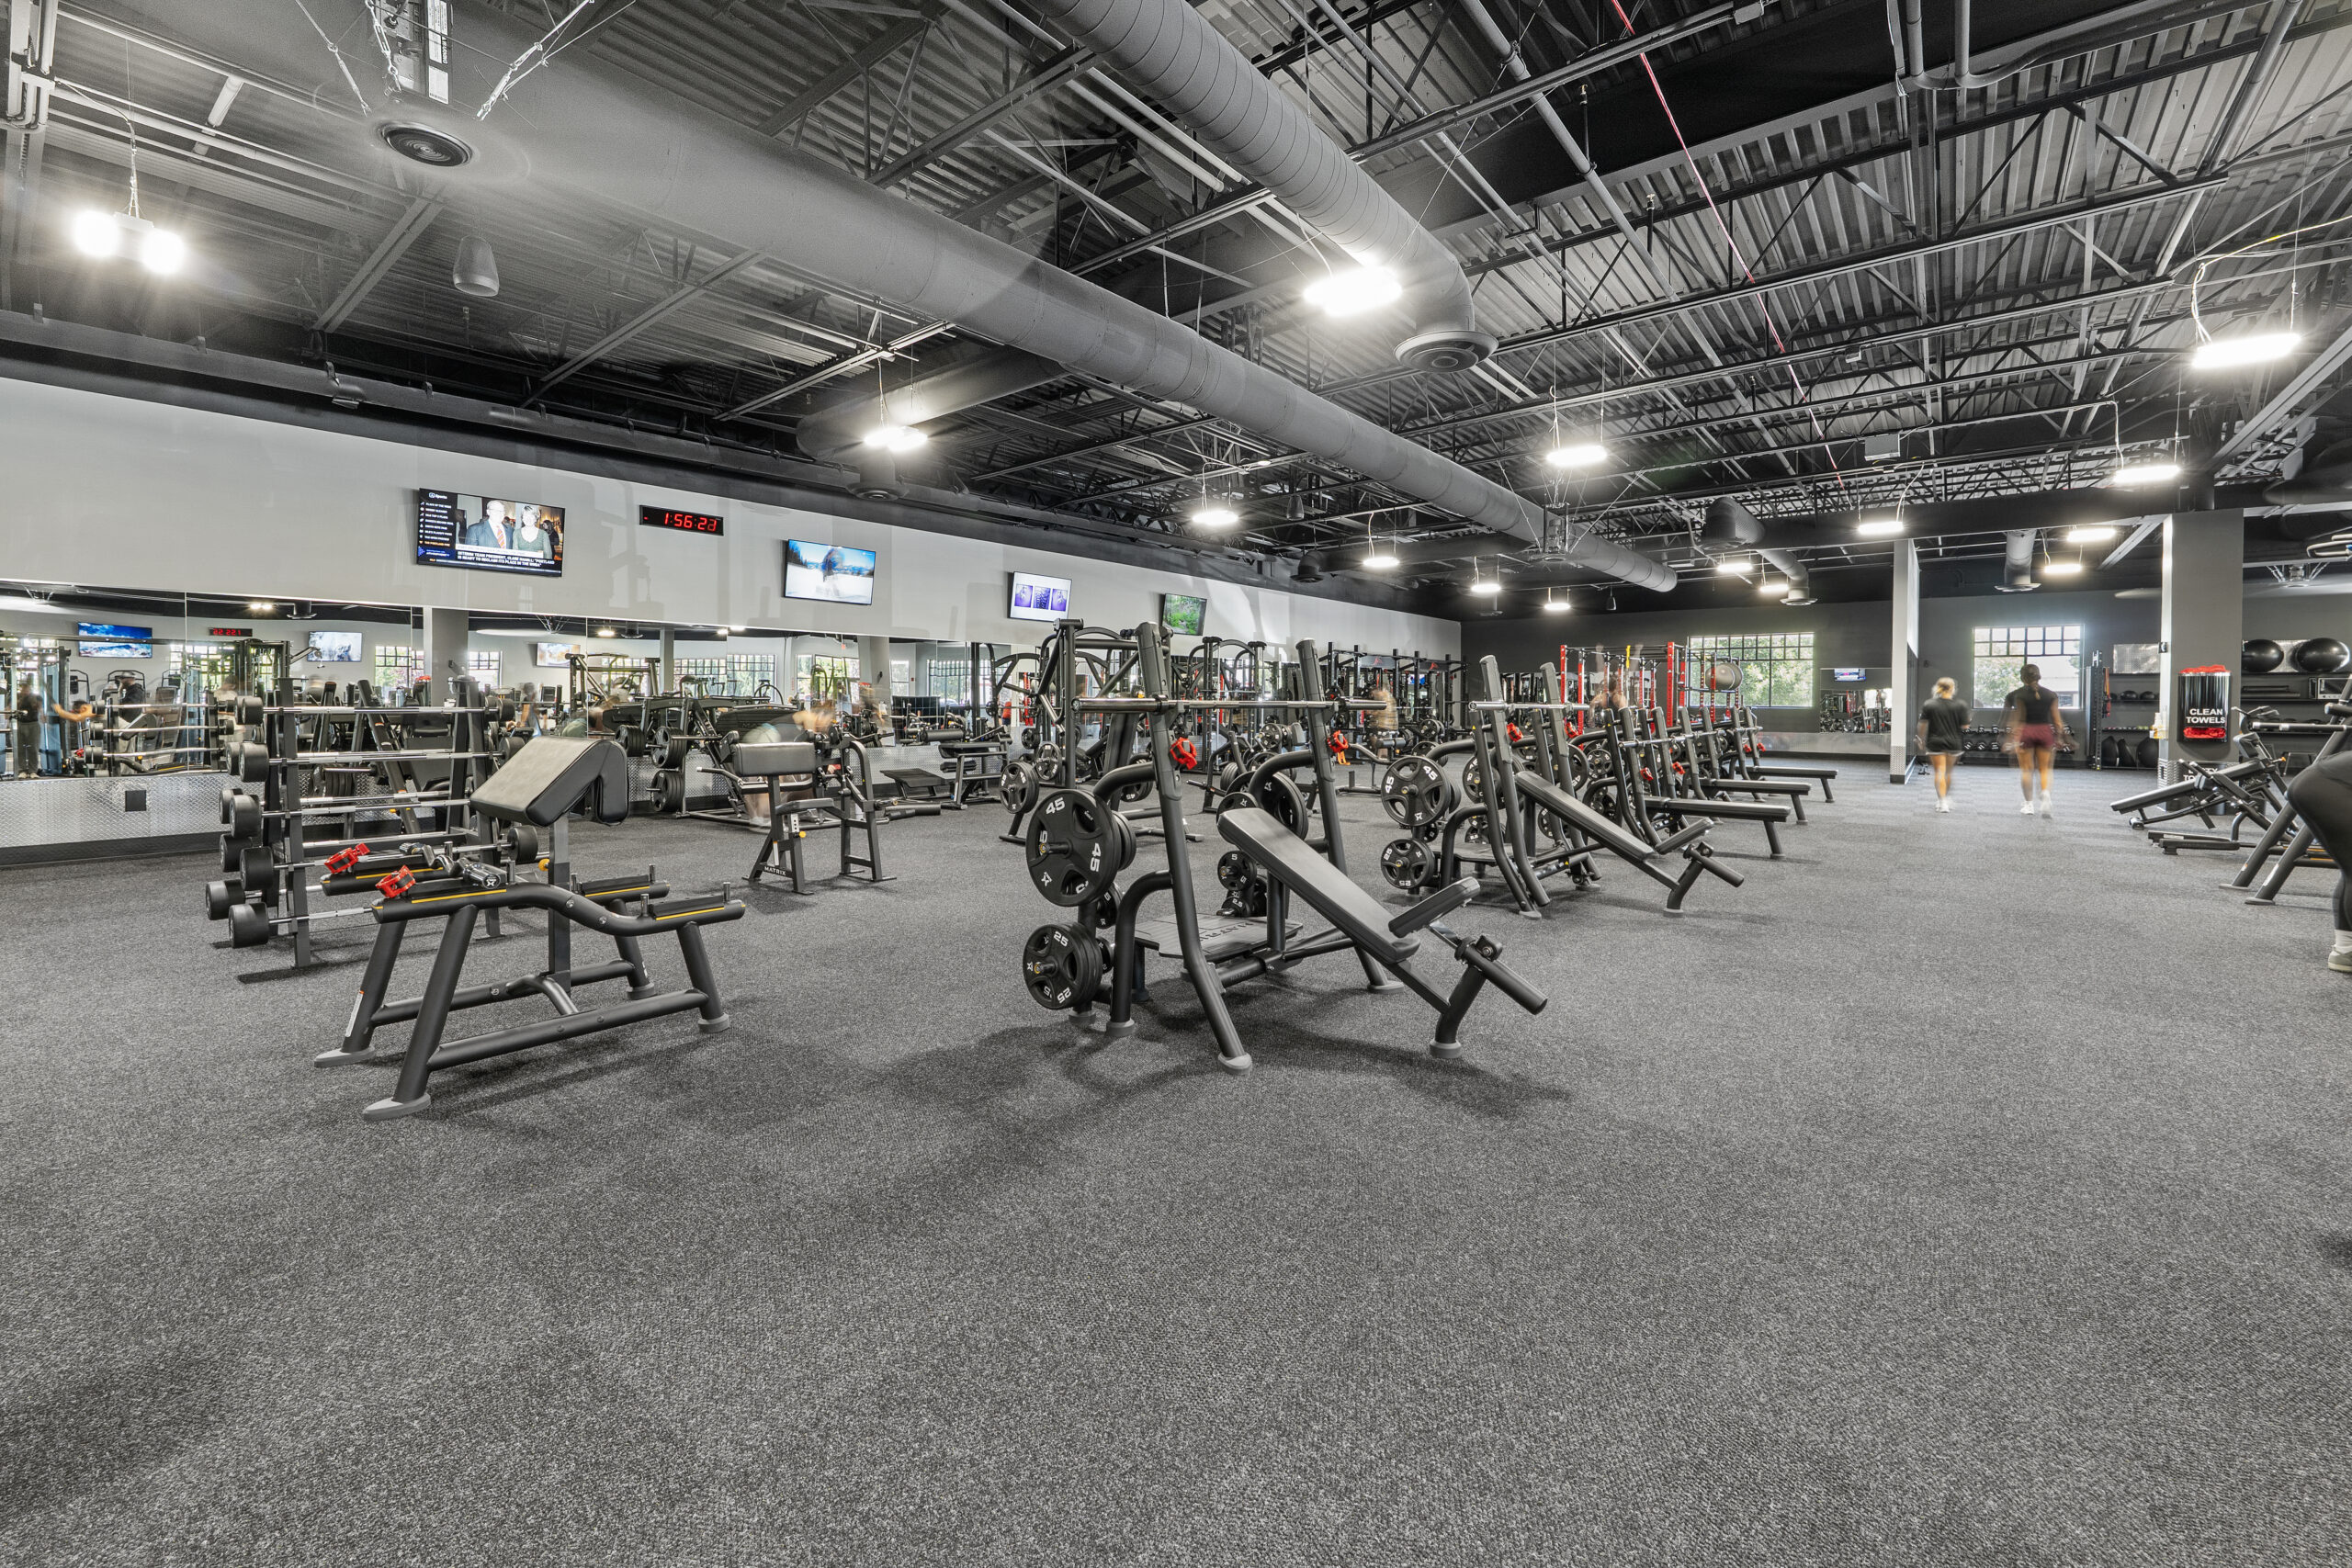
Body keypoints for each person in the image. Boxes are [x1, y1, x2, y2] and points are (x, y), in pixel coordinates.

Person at [2003, 663, 2071, 817]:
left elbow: (2018, 719)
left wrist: (2010, 739)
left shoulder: (2019, 695)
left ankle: (2028, 805)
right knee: (2045, 769)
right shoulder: (2051, 695)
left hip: (2026, 732)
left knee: (2027, 770)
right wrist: (2061, 737)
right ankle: (2045, 794)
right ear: (2038, 676)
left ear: (2022, 677)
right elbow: (2057, 720)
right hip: (2045, 731)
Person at [1917, 676, 1970, 812]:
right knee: (1948, 772)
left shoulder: (1929, 704)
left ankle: (1942, 802)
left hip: (1935, 742)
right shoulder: (1960, 705)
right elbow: (1965, 726)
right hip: (1953, 743)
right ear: (1952, 689)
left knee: (1939, 771)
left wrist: (1921, 739)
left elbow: (1922, 725)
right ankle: (1944, 798)